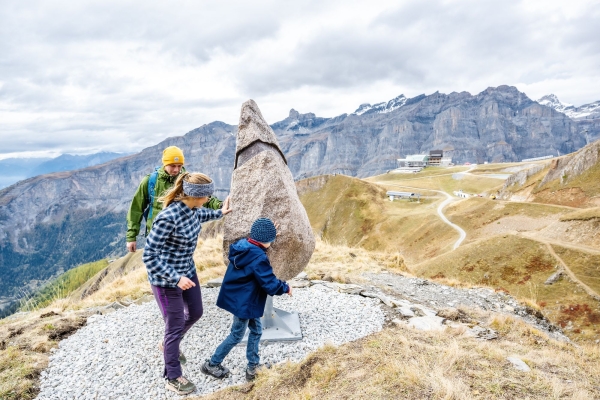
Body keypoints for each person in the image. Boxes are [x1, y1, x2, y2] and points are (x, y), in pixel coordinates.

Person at [142, 172, 232, 395]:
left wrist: (221, 212)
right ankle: (172, 376)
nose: (209, 198)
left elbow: (202, 216)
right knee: (173, 326)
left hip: (187, 272)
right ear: (196, 195)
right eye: (207, 195)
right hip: (166, 280)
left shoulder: (192, 211)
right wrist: (175, 278)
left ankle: (168, 345)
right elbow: (149, 255)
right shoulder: (168, 217)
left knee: (195, 312)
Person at [201, 218, 292, 382]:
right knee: (236, 335)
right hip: (244, 304)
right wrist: (285, 287)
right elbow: (270, 284)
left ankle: (253, 367)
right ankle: (212, 364)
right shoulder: (258, 258)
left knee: (256, 330)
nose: (272, 241)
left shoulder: (243, 246)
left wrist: (269, 233)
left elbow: (260, 243)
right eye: (271, 238)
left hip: (242, 300)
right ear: (266, 240)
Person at [126, 146, 222, 252]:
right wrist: (131, 237)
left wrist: (219, 205)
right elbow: (136, 209)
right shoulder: (150, 181)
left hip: (180, 237)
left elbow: (203, 196)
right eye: (172, 166)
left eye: (179, 166)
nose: (176, 170)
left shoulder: (187, 180)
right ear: (165, 164)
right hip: (157, 235)